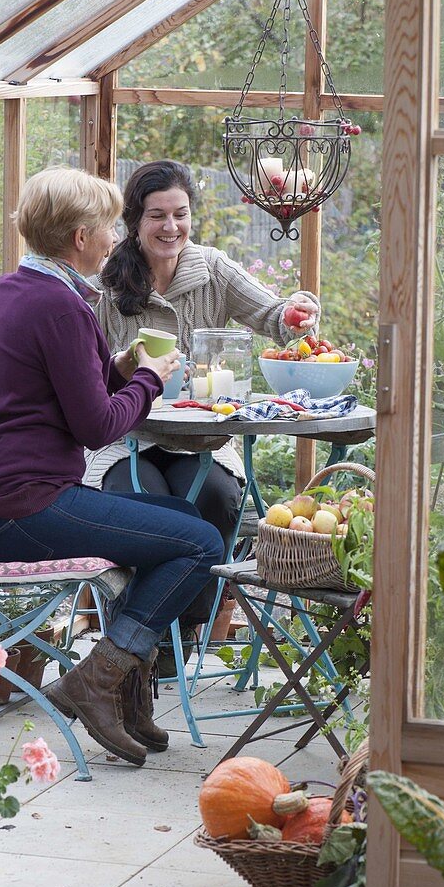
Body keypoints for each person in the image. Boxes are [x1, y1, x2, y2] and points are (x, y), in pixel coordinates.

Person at [0, 166, 224, 767]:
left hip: (4, 495)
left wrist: (116, 367)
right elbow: (98, 427)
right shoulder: (61, 308)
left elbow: (57, 391)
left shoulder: (14, 291)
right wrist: (149, 378)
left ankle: (123, 682)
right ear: (81, 237)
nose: (117, 237)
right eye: (109, 226)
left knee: (175, 519)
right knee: (200, 542)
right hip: (22, 509)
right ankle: (101, 675)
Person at [85, 159, 320, 665]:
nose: (171, 227)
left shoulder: (211, 269)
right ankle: (135, 643)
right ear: (134, 220)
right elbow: (87, 369)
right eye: (156, 216)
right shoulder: (107, 282)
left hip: (201, 438)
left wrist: (297, 310)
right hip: (128, 435)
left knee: (214, 498)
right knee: (144, 503)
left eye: (180, 214)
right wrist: (129, 369)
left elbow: (274, 314)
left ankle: (183, 633)